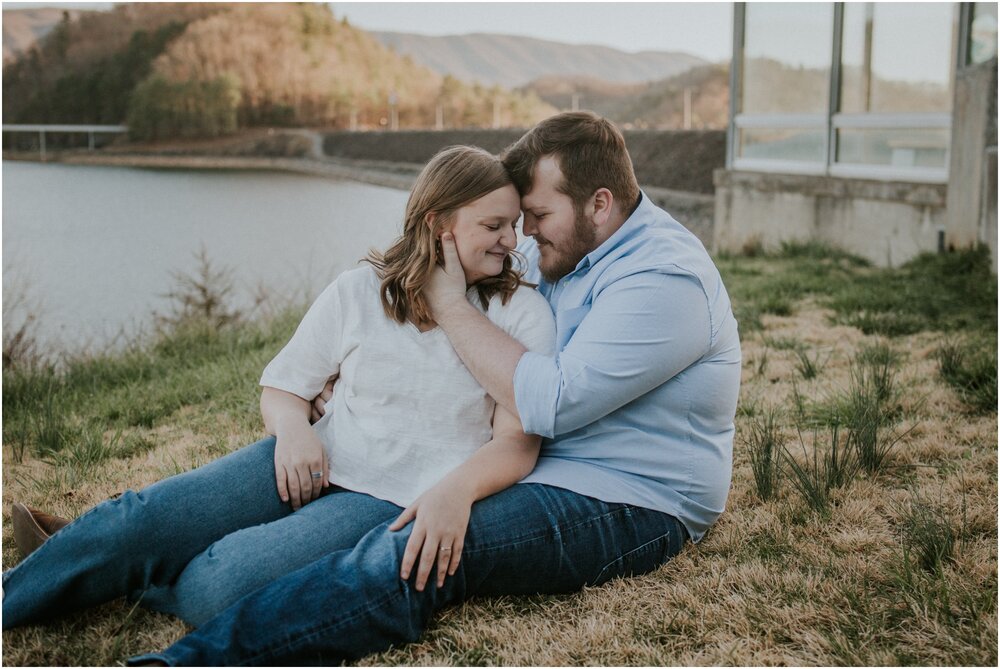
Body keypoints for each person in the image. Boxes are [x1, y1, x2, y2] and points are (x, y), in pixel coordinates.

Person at [124, 111, 742, 666]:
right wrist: (357, 371)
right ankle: (119, 558)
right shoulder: (579, 248)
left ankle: (189, 660)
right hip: (535, 464)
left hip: (627, 497)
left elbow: (547, 400)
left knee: (414, 550)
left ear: (600, 203)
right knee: (316, 528)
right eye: (518, 220)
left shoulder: (664, 280)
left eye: (538, 216)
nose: (524, 235)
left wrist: (447, 307)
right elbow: (494, 311)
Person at [1, 146, 556, 630]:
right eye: (495, 225)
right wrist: (293, 431)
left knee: (223, 584)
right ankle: (47, 580)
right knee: (141, 516)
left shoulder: (520, 313)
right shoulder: (362, 290)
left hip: (387, 497)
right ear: (440, 221)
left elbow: (517, 442)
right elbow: (285, 386)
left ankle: (100, 563)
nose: (513, 240)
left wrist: (455, 491)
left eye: (513, 225)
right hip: (310, 460)